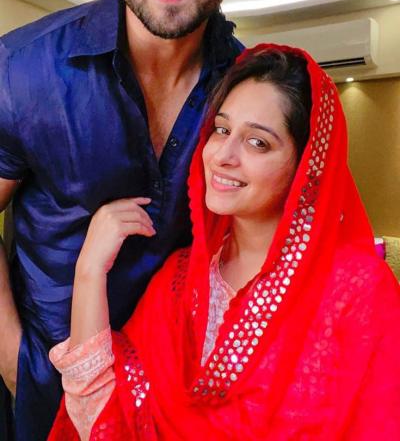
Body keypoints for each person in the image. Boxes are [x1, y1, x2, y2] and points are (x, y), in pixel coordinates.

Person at [0, 0, 264, 438]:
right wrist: (14, 360)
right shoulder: (21, 69)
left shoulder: (250, 89)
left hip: (184, 405)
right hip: (44, 396)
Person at [49, 45, 400, 440]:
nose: (223, 156)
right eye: (221, 129)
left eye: (258, 142)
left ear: (305, 166)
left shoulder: (356, 292)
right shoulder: (181, 283)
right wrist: (89, 271)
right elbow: (103, 416)